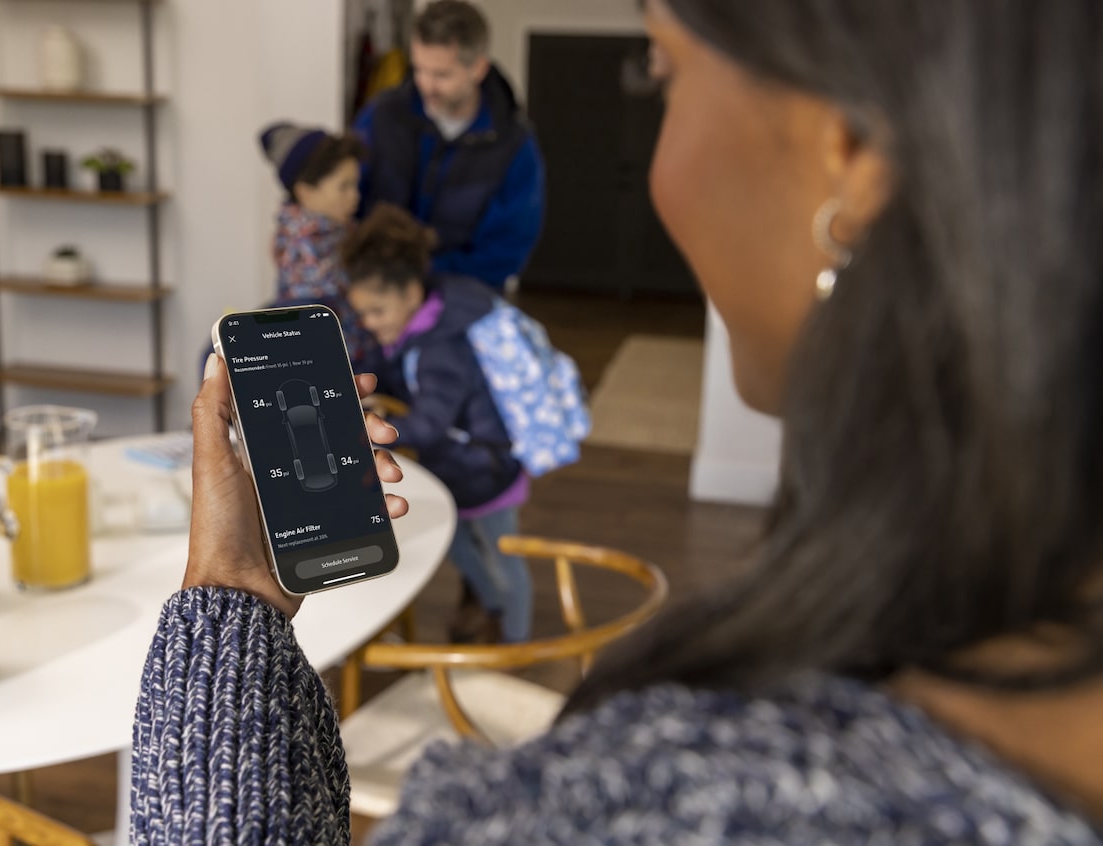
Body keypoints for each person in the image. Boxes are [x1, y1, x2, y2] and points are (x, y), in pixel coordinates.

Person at [132, 0, 1103, 842]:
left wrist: (229, 604)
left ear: (845, 151)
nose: (657, 167)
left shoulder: (679, 802)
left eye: (661, 70)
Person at [343, 203, 532, 645]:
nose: (370, 324)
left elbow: (428, 422)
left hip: (488, 471)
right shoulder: (418, 327)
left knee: (505, 559)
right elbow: (395, 371)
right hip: (456, 467)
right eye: (363, 314)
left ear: (410, 293)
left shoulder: (442, 348)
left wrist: (378, 427)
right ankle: (494, 609)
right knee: (459, 546)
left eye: (377, 311)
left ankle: (517, 646)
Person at [353, 0, 545, 291]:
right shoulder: (381, 116)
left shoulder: (514, 146)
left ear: (478, 68)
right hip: (374, 293)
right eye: (419, 69)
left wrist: (416, 274)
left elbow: (504, 252)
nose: (426, 85)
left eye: (441, 75)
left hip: (458, 302)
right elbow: (343, 195)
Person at [258, 122, 374, 363]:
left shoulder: (338, 230)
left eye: (355, 184)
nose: (356, 196)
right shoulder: (303, 250)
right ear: (305, 192)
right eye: (344, 187)